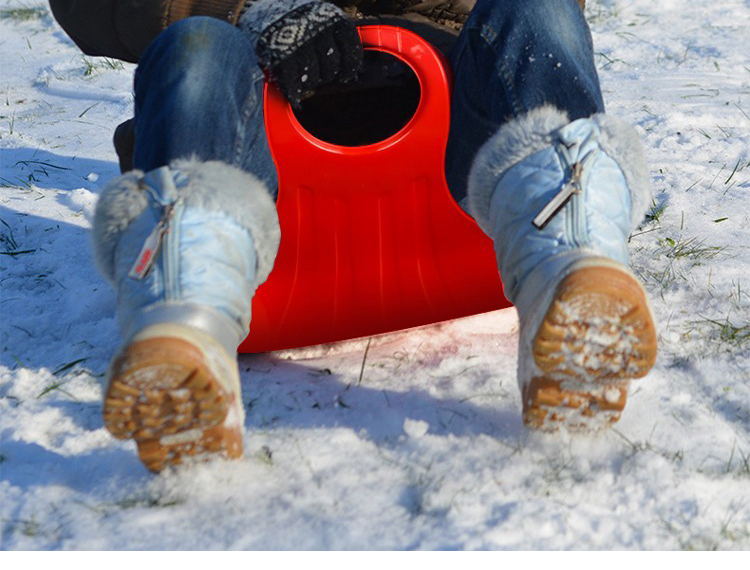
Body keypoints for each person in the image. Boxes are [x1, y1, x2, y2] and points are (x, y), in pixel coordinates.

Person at [49, 0, 657, 472]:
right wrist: (249, 9)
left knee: (538, 9)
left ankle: (571, 285)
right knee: (196, 46)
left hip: (466, 181)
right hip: (261, 192)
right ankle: (186, 333)